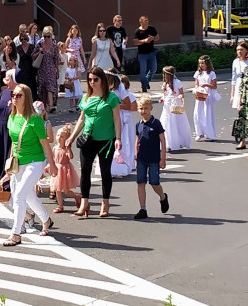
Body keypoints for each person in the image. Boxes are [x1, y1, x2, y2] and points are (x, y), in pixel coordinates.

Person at [0, 83, 57, 246]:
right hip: (19, 162)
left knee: (18, 196)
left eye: (19, 96)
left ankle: (16, 234)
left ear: (27, 98)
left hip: (35, 162)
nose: (15, 98)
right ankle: (46, 219)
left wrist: (52, 164)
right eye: (13, 95)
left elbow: (45, 144)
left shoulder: (35, 120)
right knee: (28, 196)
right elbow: (14, 143)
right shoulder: (12, 117)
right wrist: (9, 168)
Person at [68, 67, 122, 217]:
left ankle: (105, 202)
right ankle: (84, 202)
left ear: (102, 80)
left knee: (105, 172)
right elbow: (81, 119)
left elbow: (117, 119)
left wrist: (118, 138)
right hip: (88, 139)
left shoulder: (111, 97)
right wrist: (71, 137)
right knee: (85, 171)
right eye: (90, 80)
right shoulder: (86, 98)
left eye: (95, 79)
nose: (92, 82)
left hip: (106, 140)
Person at [133, 96, 170, 219]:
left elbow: (163, 141)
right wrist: (136, 156)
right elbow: (137, 140)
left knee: (154, 183)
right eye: (141, 108)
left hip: (154, 158)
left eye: (146, 108)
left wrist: (163, 158)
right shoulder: (138, 124)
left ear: (151, 108)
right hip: (141, 159)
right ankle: (142, 208)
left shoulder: (156, 123)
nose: (143, 111)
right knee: (140, 183)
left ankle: (163, 197)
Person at [159, 66, 192, 151]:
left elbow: (182, 94)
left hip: (175, 104)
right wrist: (163, 98)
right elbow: (165, 94)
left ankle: (179, 141)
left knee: (176, 123)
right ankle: (169, 143)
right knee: (167, 123)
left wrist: (179, 96)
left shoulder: (177, 82)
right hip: (167, 105)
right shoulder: (165, 84)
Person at [50, 123, 81, 213]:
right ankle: (60, 206)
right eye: (58, 135)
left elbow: (70, 157)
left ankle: (77, 196)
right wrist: (50, 166)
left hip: (64, 170)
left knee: (66, 191)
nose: (59, 138)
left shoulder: (65, 149)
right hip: (57, 170)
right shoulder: (55, 148)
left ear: (67, 139)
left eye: (62, 137)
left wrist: (68, 148)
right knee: (57, 190)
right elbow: (53, 158)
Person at [35, 27, 63, 113]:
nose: (47, 38)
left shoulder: (54, 47)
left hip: (51, 69)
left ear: (51, 36)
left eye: (48, 36)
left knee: (50, 87)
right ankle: (44, 106)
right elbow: (33, 56)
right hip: (42, 69)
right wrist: (39, 52)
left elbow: (56, 59)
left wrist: (57, 70)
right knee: (43, 88)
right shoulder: (39, 45)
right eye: (45, 36)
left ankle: (51, 106)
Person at [193, 55, 221, 141]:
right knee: (197, 113)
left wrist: (206, 85)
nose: (201, 65)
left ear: (207, 64)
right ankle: (200, 133)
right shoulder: (198, 73)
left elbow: (214, 86)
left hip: (208, 95)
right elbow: (196, 84)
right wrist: (198, 89)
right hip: (200, 94)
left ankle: (209, 134)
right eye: (200, 63)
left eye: (203, 63)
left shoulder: (211, 73)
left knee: (207, 114)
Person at [231, 42, 248, 149]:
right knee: (241, 114)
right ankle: (242, 140)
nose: (239, 52)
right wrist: (232, 94)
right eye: (238, 50)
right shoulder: (235, 62)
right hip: (239, 87)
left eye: (241, 50)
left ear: (246, 50)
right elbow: (233, 78)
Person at [134, 16, 159, 93]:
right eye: (145, 21)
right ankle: (144, 86)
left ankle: (146, 82)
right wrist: (144, 41)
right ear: (141, 22)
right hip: (142, 54)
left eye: (148, 20)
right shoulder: (138, 31)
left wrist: (153, 38)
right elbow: (135, 42)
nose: (147, 22)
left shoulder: (152, 29)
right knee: (143, 71)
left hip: (151, 52)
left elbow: (157, 37)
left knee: (154, 68)